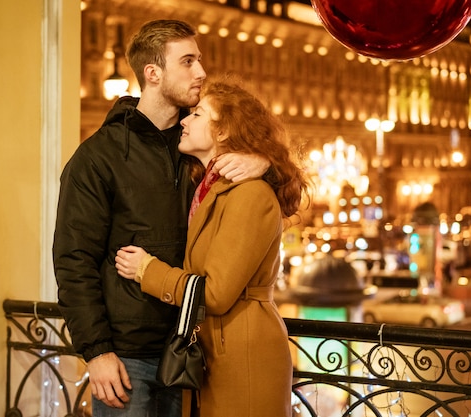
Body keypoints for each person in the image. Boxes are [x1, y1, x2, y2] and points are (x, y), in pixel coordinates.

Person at [53, 20, 267, 417]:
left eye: (199, 59)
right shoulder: (99, 156)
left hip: (194, 352)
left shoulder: (199, 144)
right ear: (153, 73)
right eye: (187, 61)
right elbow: (73, 260)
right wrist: (96, 351)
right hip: (127, 359)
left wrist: (262, 162)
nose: (201, 72)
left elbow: (272, 197)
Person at [115, 78, 310, 417]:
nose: (185, 121)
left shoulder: (248, 194)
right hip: (217, 348)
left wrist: (147, 270)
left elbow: (217, 292)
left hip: (243, 353)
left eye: (198, 114)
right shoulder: (209, 186)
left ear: (223, 132)